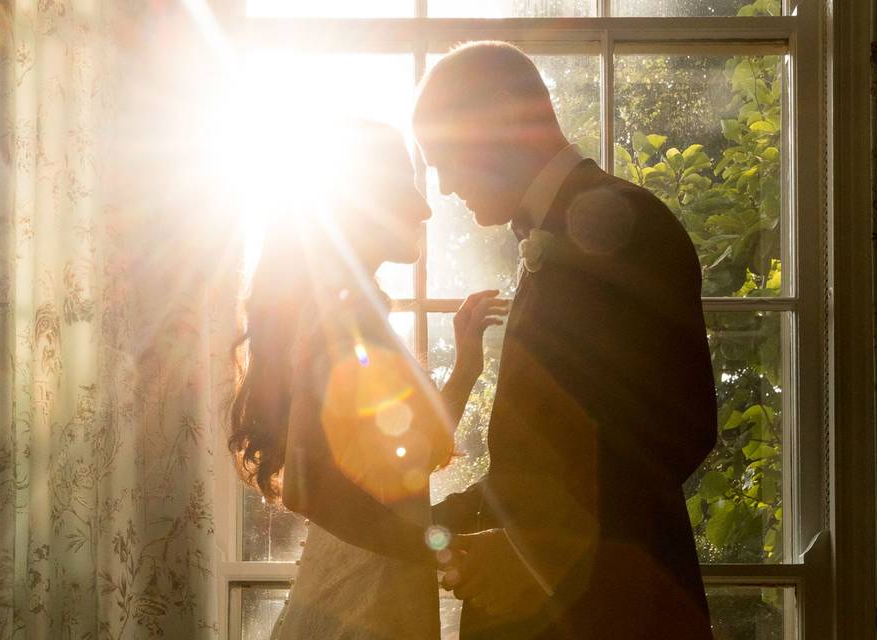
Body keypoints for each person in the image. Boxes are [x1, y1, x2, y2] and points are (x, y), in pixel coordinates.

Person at [413, 42, 718, 639]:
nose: (445, 185)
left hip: (610, 611)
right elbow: (545, 453)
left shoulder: (623, 225)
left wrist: (536, 553)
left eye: (445, 157)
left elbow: (676, 432)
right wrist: (424, 523)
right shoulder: (554, 235)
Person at [228, 119, 508, 639]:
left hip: (372, 592)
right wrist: (438, 542)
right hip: (360, 608)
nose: (424, 209)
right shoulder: (343, 313)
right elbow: (309, 491)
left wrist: (468, 364)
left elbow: (409, 460)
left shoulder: (352, 308)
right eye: (405, 190)